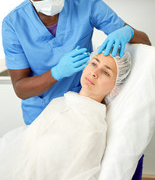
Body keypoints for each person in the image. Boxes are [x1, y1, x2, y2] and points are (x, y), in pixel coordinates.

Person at [2, 0, 151, 126]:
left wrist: (128, 32)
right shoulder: (13, 24)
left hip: (84, 107)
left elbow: (146, 43)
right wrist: (56, 73)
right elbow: (20, 89)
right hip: (41, 116)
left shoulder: (85, 3)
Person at [0, 51, 132, 180]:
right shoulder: (62, 101)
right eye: (94, 64)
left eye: (105, 72)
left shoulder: (92, 128)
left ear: (115, 88)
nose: (94, 73)